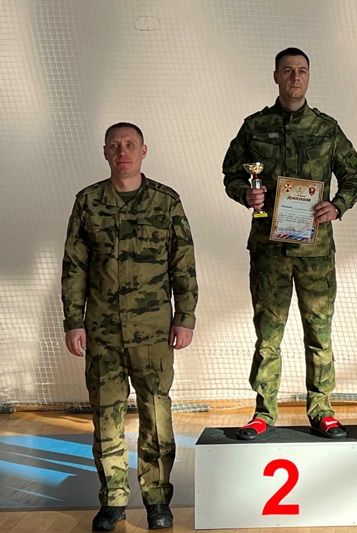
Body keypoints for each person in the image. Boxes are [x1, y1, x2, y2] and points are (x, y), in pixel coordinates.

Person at [223, 47, 357, 440]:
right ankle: (263, 412)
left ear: (309, 76)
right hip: (269, 251)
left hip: (315, 253)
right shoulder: (255, 127)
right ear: (276, 76)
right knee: (268, 336)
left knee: (319, 333)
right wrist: (245, 194)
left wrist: (337, 206)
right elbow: (231, 173)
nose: (295, 77)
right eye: (287, 70)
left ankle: (322, 410)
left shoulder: (326, 129)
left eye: (302, 70)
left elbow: (354, 175)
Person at [61, 122, 197, 530]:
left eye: (130, 145)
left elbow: (183, 263)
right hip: (102, 332)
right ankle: (113, 502)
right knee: (106, 417)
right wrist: (73, 322)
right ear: (105, 152)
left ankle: (157, 501)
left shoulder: (166, 201)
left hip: (153, 332)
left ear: (144, 151)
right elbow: (74, 266)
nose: (123, 152)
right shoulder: (88, 202)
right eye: (115, 146)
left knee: (157, 416)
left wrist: (185, 317)